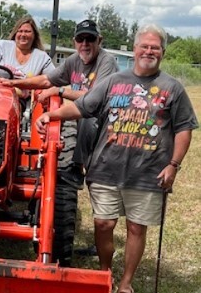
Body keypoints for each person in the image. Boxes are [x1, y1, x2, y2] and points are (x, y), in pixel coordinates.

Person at [35, 23, 198, 293]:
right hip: (105, 168)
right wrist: (51, 114)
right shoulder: (114, 81)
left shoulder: (173, 88)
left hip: (148, 172)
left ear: (163, 53)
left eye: (155, 47)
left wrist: (174, 165)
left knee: (136, 228)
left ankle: (125, 283)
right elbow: (82, 106)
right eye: (144, 46)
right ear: (134, 50)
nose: (149, 51)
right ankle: (104, 272)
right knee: (103, 224)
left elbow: (184, 127)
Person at [0, 19, 119, 186]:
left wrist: (60, 91)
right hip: (86, 110)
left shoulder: (106, 61)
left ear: (99, 41)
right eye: (81, 39)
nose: (85, 44)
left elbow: (94, 99)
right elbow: (46, 80)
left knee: (87, 118)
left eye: (90, 39)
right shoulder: (74, 60)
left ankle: (77, 168)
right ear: (75, 42)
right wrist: (14, 83)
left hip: (109, 116)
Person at [0, 15, 55, 103]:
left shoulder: (42, 57)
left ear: (34, 35)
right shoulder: (3, 46)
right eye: (20, 31)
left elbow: (52, 80)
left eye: (27, 31)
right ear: (15, 33)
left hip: (22, 101)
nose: (23, 34)